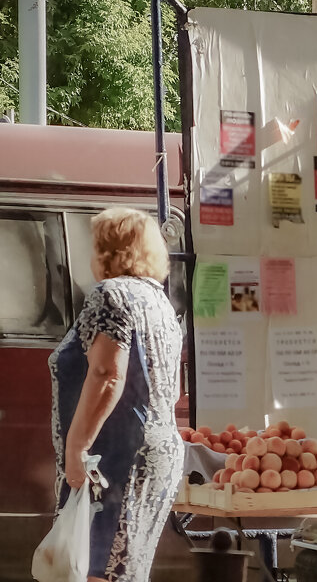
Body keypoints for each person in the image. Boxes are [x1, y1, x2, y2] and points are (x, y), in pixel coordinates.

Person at [49, 207, 185, 582]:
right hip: (154, 455)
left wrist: (77, 448)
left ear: (107, 250)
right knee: (124, 571)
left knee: (95, 571)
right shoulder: (158, 301)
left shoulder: (111, 295)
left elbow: (107, 373)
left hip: (113, 461)